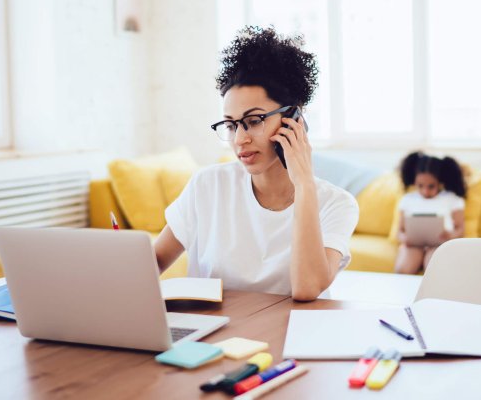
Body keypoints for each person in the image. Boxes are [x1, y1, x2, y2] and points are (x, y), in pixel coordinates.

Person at [152, 26, 359, 301]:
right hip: (211, 338)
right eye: (231, 124)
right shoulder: (208, 186)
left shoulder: (336, 204)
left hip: (287, 338)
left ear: (294, 120)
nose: (240, 139)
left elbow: (307, 288)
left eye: (253, 121)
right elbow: (151, 264)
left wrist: (305, 185)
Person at [394, 151, 466, 274]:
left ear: (440, 182)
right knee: (403, 270)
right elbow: (399, 231)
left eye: (431, 186)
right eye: (420, 186)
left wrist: (451, 236)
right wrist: (405, 238)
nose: (425, 192)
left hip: (439, 244)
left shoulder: (452, 198)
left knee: (433, 270)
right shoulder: (407, 199)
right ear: (414, 182)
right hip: (414, 245)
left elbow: (460, 228)